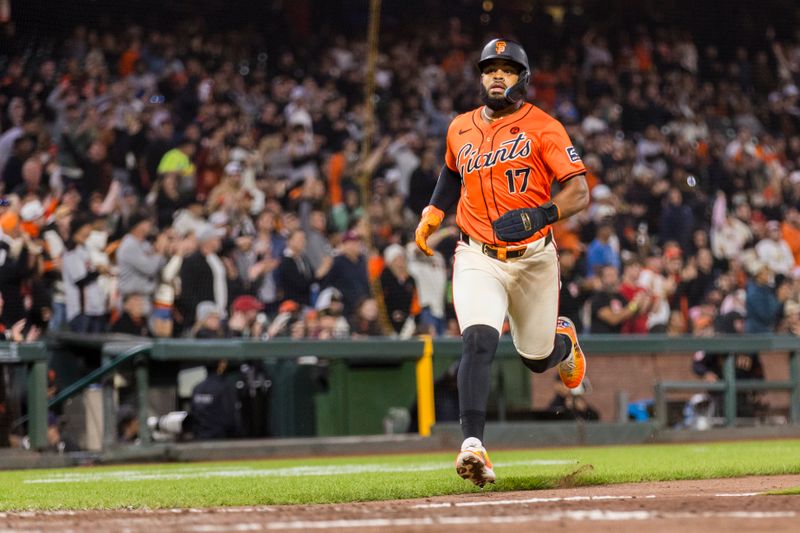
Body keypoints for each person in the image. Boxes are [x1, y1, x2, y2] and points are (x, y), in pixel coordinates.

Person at [414, 38, 590, 487]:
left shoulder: (544, 126)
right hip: (477, 253)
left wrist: (542, 213)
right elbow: (452, 171)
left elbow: (579, 191)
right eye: (490, 68)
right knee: (477, 342)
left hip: (533, 258)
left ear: (523, 79)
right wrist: (434, 210)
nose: (497, 75)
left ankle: (564, 344)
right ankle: (473, 445)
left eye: (508, 69)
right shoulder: (460, 127)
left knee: (535, 358)